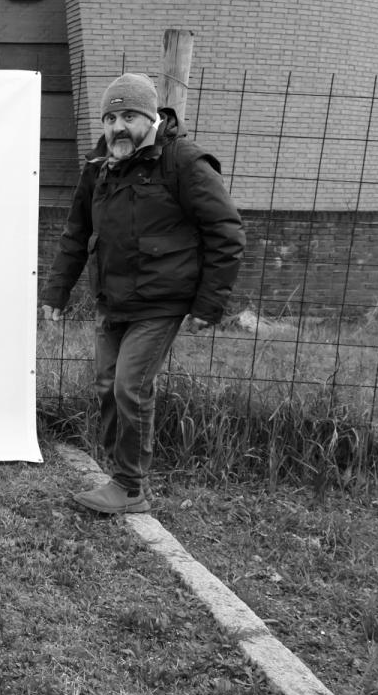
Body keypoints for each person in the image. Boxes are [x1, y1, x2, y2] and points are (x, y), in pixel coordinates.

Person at [40, 72, 244, 515]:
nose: (118, 127)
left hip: (160, 302)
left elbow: (226, 232)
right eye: (110, 118)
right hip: (112, 299)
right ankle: (121, 474)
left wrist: (208, 304)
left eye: (128, 116)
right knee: (106, 386)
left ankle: (130, 488)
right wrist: (56, 292)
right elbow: (76, 233)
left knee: (130, 386)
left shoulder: (183, 162)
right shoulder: (98, 166)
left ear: (150, 118)